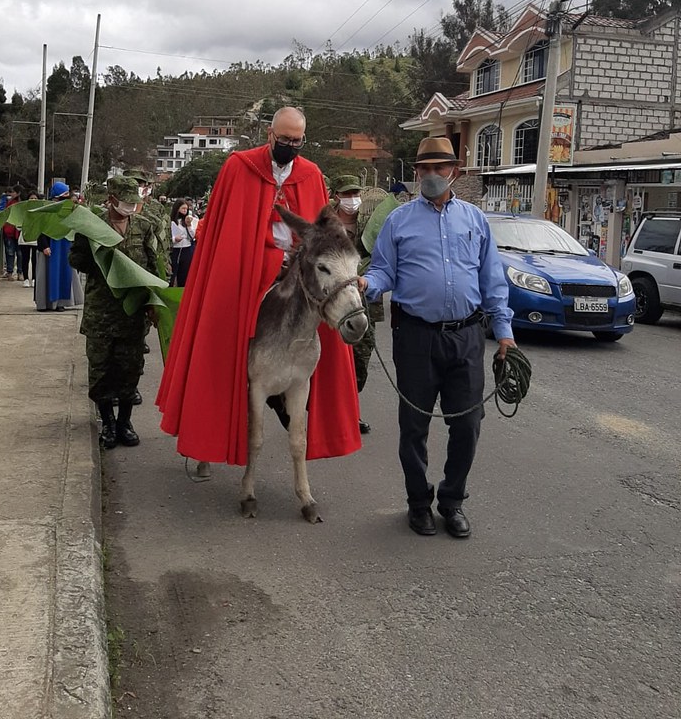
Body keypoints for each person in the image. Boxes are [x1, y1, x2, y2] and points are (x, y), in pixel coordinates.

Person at [155, 106, 361, 466]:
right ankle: (208, 439)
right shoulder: (239, 167)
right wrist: (263, 257)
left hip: (295, 271)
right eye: (285, 139)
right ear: (270, 135)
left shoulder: (311, 174)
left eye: (297, 141)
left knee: (321, 323)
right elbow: (223, 230)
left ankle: (301, 414)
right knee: (221, 340)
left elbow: (322, 234)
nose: (290, 146)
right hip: (245, 269)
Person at [360, 137, 515, 540]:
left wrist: (504, 334)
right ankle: (418, 503)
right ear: (416, 173)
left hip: (466, 337)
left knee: (468, 425)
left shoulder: (475, 220)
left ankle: (452, 500)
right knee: (414, 426)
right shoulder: (398, 221)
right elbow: (383, 271)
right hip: (415, 336)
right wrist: (366, 284)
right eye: (424, 168)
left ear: (454, 172)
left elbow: (492, 280)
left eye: (438, 168)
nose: (431, 175)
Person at [69, 176, 159, 449]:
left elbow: (154, 266)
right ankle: (107, 423)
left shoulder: (144, 226)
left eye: (134, 202)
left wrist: (154, 303)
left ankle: (124, 423)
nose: (130, 207)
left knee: (130, 370)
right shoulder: (92, 226)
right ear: (111, 200)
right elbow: (75, 259)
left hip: (132, 313)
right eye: (126, 202)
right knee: (101, 370)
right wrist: (98, 257)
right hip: (101, 312)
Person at [331, 175, 400, 436]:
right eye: (347, 194)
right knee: (328, 359)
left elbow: (383, 258)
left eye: (355, 194)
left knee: (360, 357)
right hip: (332, 303)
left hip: (364, 301)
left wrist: (368, 276)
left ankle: (350, 410)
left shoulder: (371, 223)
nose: (352, 199)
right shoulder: (325, 221)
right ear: (336, 196)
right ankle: (322, 411)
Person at [35, 181, 78, 311]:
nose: (66, 196)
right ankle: (45, 303)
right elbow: (40, 229)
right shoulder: (47, 209)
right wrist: (44, 246)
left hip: (64, 245)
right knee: (46, 275)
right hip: (50, 245)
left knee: (64, 274)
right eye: (64, 194)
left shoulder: (68, 209)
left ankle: (61, 303)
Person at [169, 199, 197, 287]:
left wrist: (189, 225)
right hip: (175, 249)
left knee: (184, 273)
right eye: (183, 208)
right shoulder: (172, 221)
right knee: (172, 273)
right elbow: (167, 236)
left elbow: (193, 236)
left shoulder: (189, 220)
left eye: (186, 209)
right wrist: (174, 239)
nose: (185, 211)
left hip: (186, 249)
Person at [18, 191, 40, 287]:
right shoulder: (23, 210)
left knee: (35, 260)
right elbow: (18, 225)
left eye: (35, 198)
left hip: (36, 239)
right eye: (31, 198)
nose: (33, 200)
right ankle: (26, 279)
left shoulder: (41, 211)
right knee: (25, 259)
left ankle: (34, 278)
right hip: (24, 239)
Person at [0, 187, 22, 278]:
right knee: (10, 252)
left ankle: (20, 272)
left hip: (19, 231)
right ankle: (10, 272)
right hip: (9, 231)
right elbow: (1, 210)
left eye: (12, 192)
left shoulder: (21, 204)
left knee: (20, 253)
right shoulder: (7, 202)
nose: (10, 194)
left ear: (18, 193)